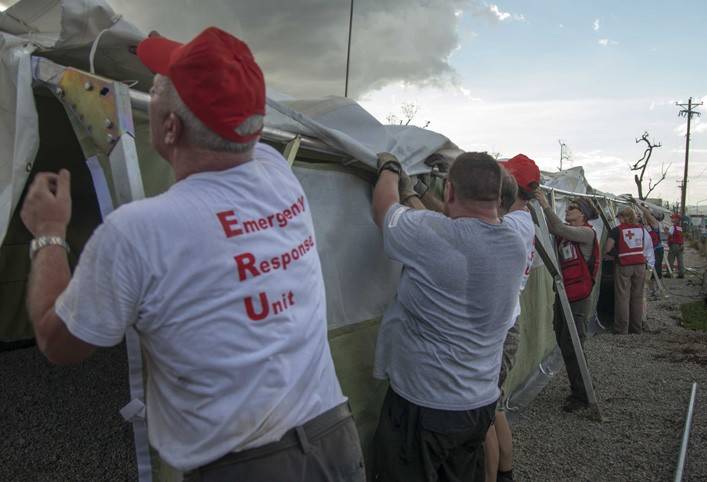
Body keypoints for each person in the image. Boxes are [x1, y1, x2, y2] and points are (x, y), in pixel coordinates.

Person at [19, 27, 364, 481]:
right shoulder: (277, 172)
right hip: (335, 441)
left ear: (169, 127)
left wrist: (48, 232)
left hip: (246, 470)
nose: (151, 89)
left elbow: (56, 342)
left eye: (157, 89)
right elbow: (234, 129)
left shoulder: (137, 232)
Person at [370, 151, 527, 482]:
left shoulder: (432, 234)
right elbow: (466, 224)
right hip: (478, 403)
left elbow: (384, 210)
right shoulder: (514, 242)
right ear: (499, 197)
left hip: (424, 405)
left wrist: (389, 168)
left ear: (450, 192)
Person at [484, 154, 540, 482]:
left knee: (483, 415)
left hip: (501, 328)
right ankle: (506, 473)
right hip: (508, 323)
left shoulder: (511, 224)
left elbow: (461, 227)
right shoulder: (522, 219)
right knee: (496, 408)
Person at [534, 193, 600, 412]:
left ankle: (583, 395)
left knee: (573, 343)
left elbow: (558, 228)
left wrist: (544, 205)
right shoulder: (567, 234)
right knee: (563, 338)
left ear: (582, 213)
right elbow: (552, 229)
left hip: (578, 297)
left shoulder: (586, 233)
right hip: (564, 294)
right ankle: (578, 388)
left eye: (572, 208)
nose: (567, 210)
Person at [604, 207, 647, 335]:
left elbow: (607, 248)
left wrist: (617, 254)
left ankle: (621, 329)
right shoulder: (641, 229)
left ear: (623, 217)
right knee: (637, 297)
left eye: (619, 217)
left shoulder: (616, 231)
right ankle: (636, 328)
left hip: (624, 265)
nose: (618, 220)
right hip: (640, 265)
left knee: (622, 297)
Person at [638, 204, 664, 297]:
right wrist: (644, 210)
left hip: (656, 249)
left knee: (656, 269)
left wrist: (638, 205)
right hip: (650, 249)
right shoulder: (648, 223)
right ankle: (652, 289)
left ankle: (656, 289)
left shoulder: (655, 223)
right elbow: (645, 216)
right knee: (649, 269)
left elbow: (647, 214)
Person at [667, 213, 685, 278]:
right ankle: (681, 274)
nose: (672, 219)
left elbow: (669, 234)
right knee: (680, 260)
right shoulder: (680, 228)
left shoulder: (672, 227)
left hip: (674, 245)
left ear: (676, 219)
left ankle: (669, 273)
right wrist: (682, 244)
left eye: (673, 218)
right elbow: (681, 237)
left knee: (670, 259)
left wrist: (666, 230)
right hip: (680, 245)